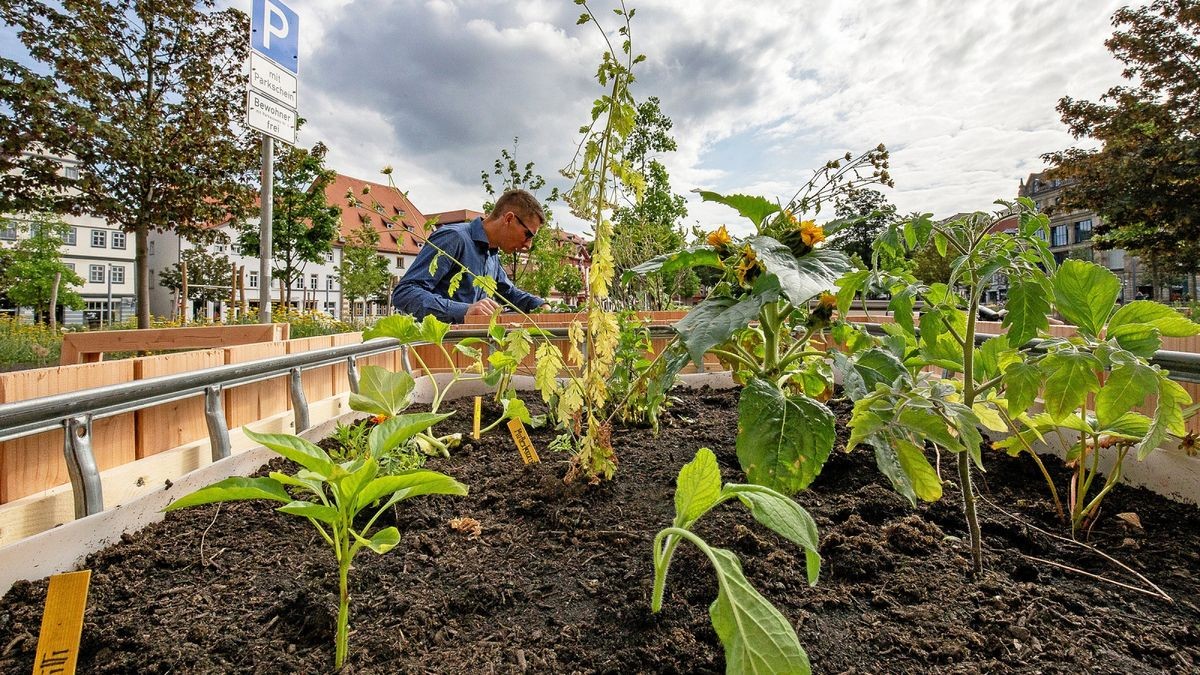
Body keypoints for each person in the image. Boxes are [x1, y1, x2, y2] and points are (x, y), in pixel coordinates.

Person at [391, 188, 546, 323]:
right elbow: (404, 293)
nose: (528, 245)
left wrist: (541, 305)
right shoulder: (453, 238)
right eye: (528, 234)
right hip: (436, 350)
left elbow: (510, 293)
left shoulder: (492, 255)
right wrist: (464, 311)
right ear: (509, 219)